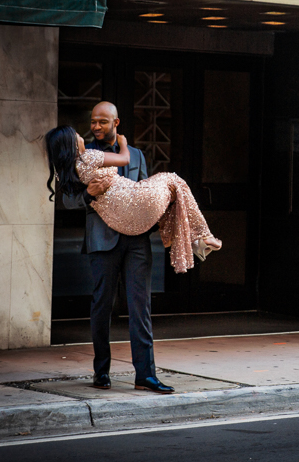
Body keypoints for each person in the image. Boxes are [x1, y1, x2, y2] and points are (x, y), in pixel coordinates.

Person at [47, 102, 218, 394]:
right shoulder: (81, 154)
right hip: (103, 242)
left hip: (137, 241)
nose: (96, 127)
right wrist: (88, 195)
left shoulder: (136, 155)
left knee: (141, 307)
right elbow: (67, 200)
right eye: (93, 122)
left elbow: (145, 193)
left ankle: (145, 375)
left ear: (116, 123)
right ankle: (101, 371)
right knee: (102, 306)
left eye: (102, 122)